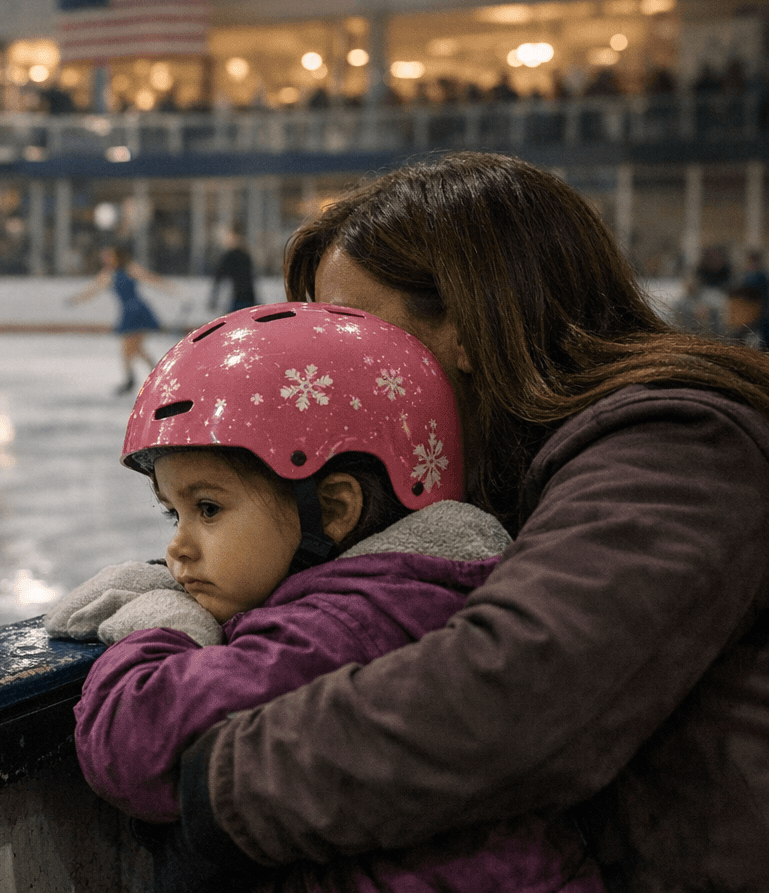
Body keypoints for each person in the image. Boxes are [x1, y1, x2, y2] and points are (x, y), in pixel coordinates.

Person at [146, 151, 769, 893]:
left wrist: (218, 789)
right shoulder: (485, 472)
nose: (334, 374)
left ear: (475, 323)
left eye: (357, 335)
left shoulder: (678, 445)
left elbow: (517, 691)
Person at [45, 302, 600, 892]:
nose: (177, 548)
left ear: (333, 511)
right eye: (172, 512)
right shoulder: (423, 588)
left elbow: (131, 744)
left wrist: (165, 626)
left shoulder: (350, 622)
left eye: (208, 509)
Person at [69, 244, 178, 395]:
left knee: (131, 348)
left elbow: (150, 278)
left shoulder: (129, 269)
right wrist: (77, 299)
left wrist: (168, 287)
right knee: (134, 349)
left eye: (109, 255)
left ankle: (137, 379)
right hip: (128, 313)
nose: (105, 258)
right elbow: (93, 289)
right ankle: (154, 377)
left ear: (117, 256)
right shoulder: (108, 274)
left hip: (138, 311)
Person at [207, 228, 257, 314]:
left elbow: (218, 278)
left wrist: (213, 299)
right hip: (247, 298)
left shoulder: (230, 256)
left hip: (238, 299)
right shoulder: (245, 255)